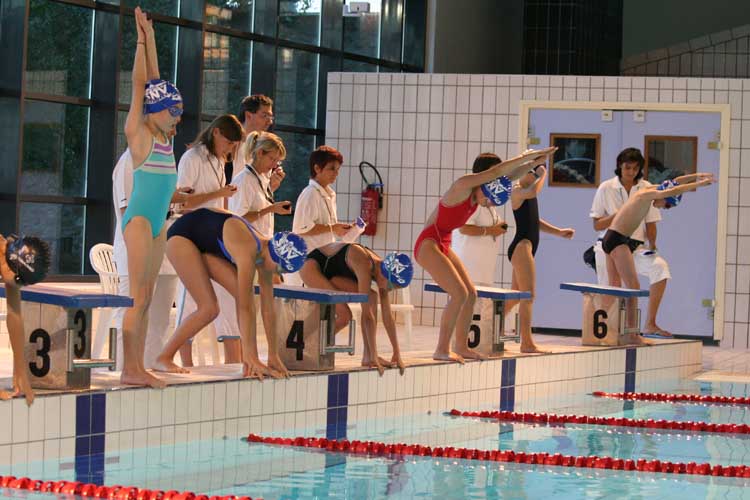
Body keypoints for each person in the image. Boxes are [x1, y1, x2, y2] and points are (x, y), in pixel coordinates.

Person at [414, 147, 555, 363]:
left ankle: (461, 347)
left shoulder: (480, 193)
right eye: (488, 197)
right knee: (459, 294)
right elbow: (496, 172)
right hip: (428, 243)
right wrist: (526, 157)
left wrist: (534, 164)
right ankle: (441, 349)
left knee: (471, 294)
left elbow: (507, 175)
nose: (488, 202)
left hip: (443, 242)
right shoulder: (462, 186)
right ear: (484, 179)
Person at [153, 208, 308, 379]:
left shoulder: (266, 256)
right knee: (209, 308)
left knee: (243, 297)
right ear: (274, 254)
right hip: (181, 237)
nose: (277, 273)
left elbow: (268, 309)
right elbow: (245, 306)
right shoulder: (248, 248)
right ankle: (164, 357)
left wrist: (273, 355)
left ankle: (250, 359)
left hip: (204, 242)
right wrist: (251, 356)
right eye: (279, 268)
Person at [121, 7, 186, 388]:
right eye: (173, 113)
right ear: (155, 112)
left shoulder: (163, 136)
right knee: (137, 297)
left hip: (160, 220)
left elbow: (155, 81)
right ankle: (130, 369)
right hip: (141, 220)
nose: (177, 119)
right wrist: (140, 42)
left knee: (146, 298)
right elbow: (140, 85)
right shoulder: (140, 132)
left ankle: (138, 366)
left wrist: (152, 36)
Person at [602, 173, 715, 343]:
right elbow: (671, 190)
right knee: (633, 287)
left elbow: (673, 183)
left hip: (610, 238)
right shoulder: (649, 194)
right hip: (617, 240)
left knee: (614, 286)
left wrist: (697, 175)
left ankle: (608, 330)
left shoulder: (648, 191)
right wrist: (699, 184)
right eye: (667, 205)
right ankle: (632, 334)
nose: (663, 208)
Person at [110, 124, 184, 370]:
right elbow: (127, 214)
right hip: (134, 250)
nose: (174, 131)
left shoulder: (160, 162)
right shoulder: (128, 162)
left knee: (160, 320)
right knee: (132, 311)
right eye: (171, 121)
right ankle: (124, 369)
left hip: (161, 248)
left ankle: (150, 367)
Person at [175, 114, 244, 366]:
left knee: (228, 296)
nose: (230, 149)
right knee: (190, 301)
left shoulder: (218, 160)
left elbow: (218, 202)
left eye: (234, 145)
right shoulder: (192, 158)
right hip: (190, 235)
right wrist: (219, 193)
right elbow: (182, 204)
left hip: (214, 236)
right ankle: (185, 363)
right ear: (216, 133)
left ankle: (234, 362)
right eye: (228, 143)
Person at [590, 148, 674, 337]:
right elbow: (597, 224)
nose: (631, 172)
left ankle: (650, 324)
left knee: (660, 268)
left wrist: (653, 246)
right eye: (627, 168)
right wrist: (621, 215)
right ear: (620, 166)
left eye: (635, 168)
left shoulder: (646, 187)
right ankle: (608, 332)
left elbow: (651, 222)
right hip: (609, 244)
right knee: (611, 289)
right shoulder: (606, 188)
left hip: (636, 247)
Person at [300, 243, 414, 375]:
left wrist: (397, 353)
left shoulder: (383, 271)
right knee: (345, 315)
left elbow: (388, 317)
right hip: (312, 266)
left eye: (394, 288)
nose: (389, 289)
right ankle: (303, 344)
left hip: (333, 274)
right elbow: (367, 315)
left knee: (372, 297)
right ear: (385, 274)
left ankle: (367, 357)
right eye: (390, 285)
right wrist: (375, 353)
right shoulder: (364, 263)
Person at [501, 162, 575, 353]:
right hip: (521, 247)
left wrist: (558, 232)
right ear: (523, 173)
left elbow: (535, 221)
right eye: (532, 174)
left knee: (517, 296)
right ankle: (527, 343)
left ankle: (492, 328)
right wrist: (543, 174)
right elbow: (534, 192)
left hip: (527, 247)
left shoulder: (528, 192)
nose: (534, 178)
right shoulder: (517, 191)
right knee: (528, 296)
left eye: (535, 175)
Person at [291, 146, 352, 287]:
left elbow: (328, 227)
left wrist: (341, 229)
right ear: (317, 168)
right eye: (332, 169)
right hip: (308, 263)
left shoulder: (330, 194)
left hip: (322, 261)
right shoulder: (310, 194)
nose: (336, 173)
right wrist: (333, 228)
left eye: (338, 169)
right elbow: (302, 229)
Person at [0, 234, 51, 405]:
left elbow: (14, 314)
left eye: (23, 282)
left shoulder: (9, 259)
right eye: (18, 279)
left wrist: (21, 373)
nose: (19, 284)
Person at [452, 156, 509, 284]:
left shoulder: (487, 199)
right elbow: (463, 228)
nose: (497, 175)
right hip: (468, 271)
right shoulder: (471, 197)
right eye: (495, 171)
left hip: (483, 272)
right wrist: (491, 230)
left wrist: (499, 227)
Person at [229, 131, 292, 240]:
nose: (274, 165)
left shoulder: (262, 179)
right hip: (246, 244)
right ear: (260, 153)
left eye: (277, 161)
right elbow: (237, 219)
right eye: (272, 159)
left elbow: (257, 204)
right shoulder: (244, 180)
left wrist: (271, 187)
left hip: (261, 242)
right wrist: (271, 208)